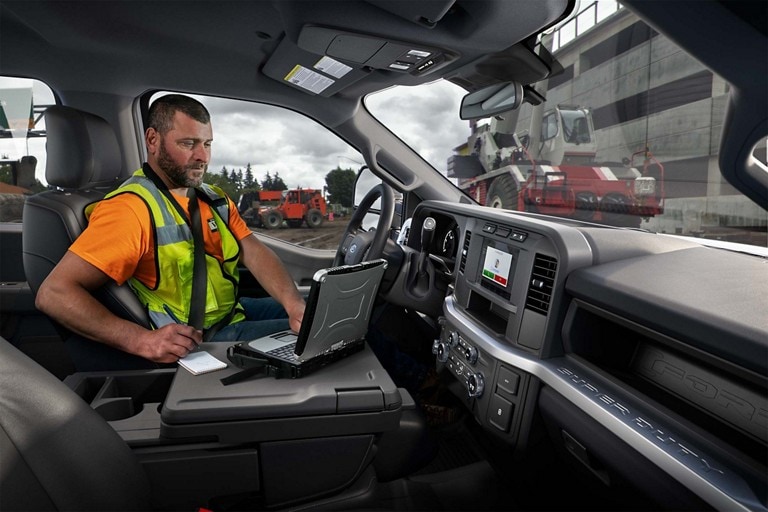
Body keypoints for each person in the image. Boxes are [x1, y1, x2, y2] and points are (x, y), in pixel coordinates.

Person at [36, 94, 305, 370]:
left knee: (317, 315)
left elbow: (254, 252)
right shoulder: (130, 209)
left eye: (207, 144)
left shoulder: (213, 199)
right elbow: (54, 293)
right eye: (188, 143)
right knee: (320, 337)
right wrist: (141, 340)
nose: (202, 156)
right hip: (202, 342)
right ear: (152, 140)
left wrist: (293, 303)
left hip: (231, 312)